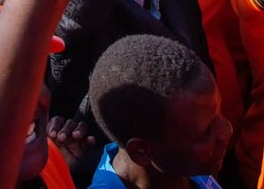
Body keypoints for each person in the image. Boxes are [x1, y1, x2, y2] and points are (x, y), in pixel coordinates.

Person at [88, 34, 230, 188]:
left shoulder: (185, 166)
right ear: (141, 151)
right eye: (205, 133)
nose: (226, 130)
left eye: (219, 113)